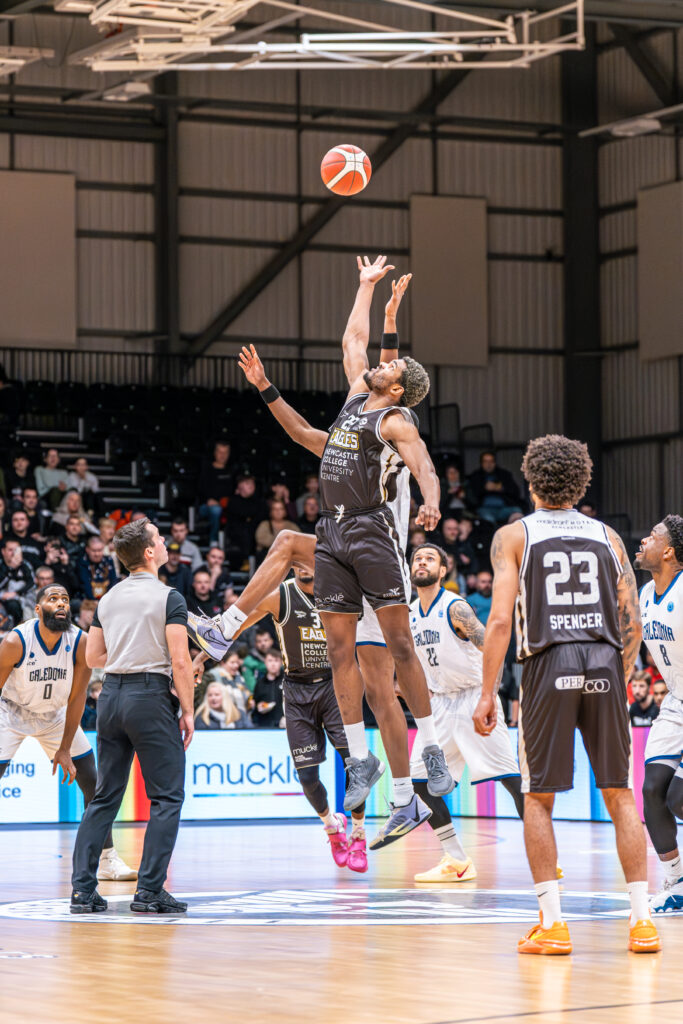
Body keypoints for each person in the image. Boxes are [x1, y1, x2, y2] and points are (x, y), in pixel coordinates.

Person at [190, 264, 453, 839]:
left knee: (387, 680)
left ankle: (421, 769)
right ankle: (388, 786)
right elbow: (352, 347)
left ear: (398, 388)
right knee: (355, 668)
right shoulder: (357, 403)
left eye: (390, 368)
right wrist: (365, 290)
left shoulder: (394, 419)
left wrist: (433, 503)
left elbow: (426, 462)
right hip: (338, 536)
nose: (375, 366)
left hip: (375, 536)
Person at [473, 434, 660, 955]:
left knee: (539, 797)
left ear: (531, 480)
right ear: (582, 482)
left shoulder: (513, 535)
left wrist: (488, 692)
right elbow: (632, 620)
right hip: (603, 658)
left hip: (547, 663)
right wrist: (617, 674)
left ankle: (553, 925)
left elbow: (500, 620)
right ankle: (642, 922)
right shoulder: (607, 535)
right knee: (620, 793)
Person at [195, 567, 368, 871]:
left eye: (308, 560)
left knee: (355, 764)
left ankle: (358, 833)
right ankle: (331, 827)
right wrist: (202, 657)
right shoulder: (281, 596)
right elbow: (236, 626)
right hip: (296, 689)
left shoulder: (339, 589)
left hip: (333, 685)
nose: (302, 566)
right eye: (297, 561)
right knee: (307, 777)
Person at [70, 518, 194, 915]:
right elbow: (179, 659)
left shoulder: (107, 599)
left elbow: (93, 658)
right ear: (149, 552)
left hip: (111, 699)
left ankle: (82, 892)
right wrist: (188, 710)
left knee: (105, 797)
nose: (164, 542)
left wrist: (127, 656)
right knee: (167, 797)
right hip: (149, 697)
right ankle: (150, 891)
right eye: (159, 538)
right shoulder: (169, 597)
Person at [0, 584, 135, 881]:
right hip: (11, 712)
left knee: (93, 781)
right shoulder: (16, 641)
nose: (61, 603)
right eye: (53, 599)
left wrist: (63, 748)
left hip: (55, 714)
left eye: (65, 599)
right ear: (38, 609)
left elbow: (77, 698)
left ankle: (107, 860)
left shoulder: (81, 642)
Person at [406, 543, 523, 875]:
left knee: (511, 779)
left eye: (429, 558)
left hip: (474, 696)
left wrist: (489, 695)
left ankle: (547, 855)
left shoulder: (455, 608)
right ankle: (456, 860)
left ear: (443, 571)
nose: (422, 562)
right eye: (417, 558)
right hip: (440, 703)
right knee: (419, 782)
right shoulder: (409, 613)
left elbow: (493, 647)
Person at [633, 514, 683, 914]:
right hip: (677, 702)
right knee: (652, 792)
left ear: (668, 551)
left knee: (679, 798)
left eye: (651, 537)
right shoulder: (647, 594)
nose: (642, 541)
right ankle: (675, 882)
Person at [466, 451, 523, 525]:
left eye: (491, 461)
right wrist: (484, 488)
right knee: (488, 520)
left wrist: (501, 488)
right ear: (481, 463)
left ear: (495, 463)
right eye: (485, 461)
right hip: (485, 509)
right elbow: (471, 495)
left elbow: (516, 491)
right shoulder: (475, 476)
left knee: (517, 512)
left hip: (504, 508)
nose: (488, 464)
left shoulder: (504, 474)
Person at [197, 440, 233, 546]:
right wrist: (208, 500)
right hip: (207, 506)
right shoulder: (206, 469)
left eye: (225, 452)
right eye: (220, 452)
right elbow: (200, 490)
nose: (222, 455)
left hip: (227, 505)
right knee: (216, 510)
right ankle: (214, 540)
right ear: (215, 453)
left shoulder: (232, 471)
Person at [0, 538, 35, 625]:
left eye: (16, 550)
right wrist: (10, 570)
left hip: (23, 595)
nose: (13, 553)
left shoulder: (25, 565)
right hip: (4, 596)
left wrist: (17, 593)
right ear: (3, 551)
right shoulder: (1, 565)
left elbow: (32, 583)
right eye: (10, 550)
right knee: (13, 605)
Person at [78, 536, 118, 601]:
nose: (97, 554)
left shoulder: (109, 560)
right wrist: (94, 602)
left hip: (107, 600)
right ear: (87, 550)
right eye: (94, 551)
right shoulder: (82, 562)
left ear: (103, 549)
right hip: (88, 601)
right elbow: (85, 586)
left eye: (99, 550)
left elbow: (113, 581)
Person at [252, 650, 285, 728]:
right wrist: (259, 706)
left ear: (281, 663)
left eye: (276, 661)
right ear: (265, 662)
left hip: (284, 724)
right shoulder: (260, 683)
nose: (273, 664)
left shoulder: (287, 681)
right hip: (265, 726)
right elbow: (256, 702)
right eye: (270, 661)